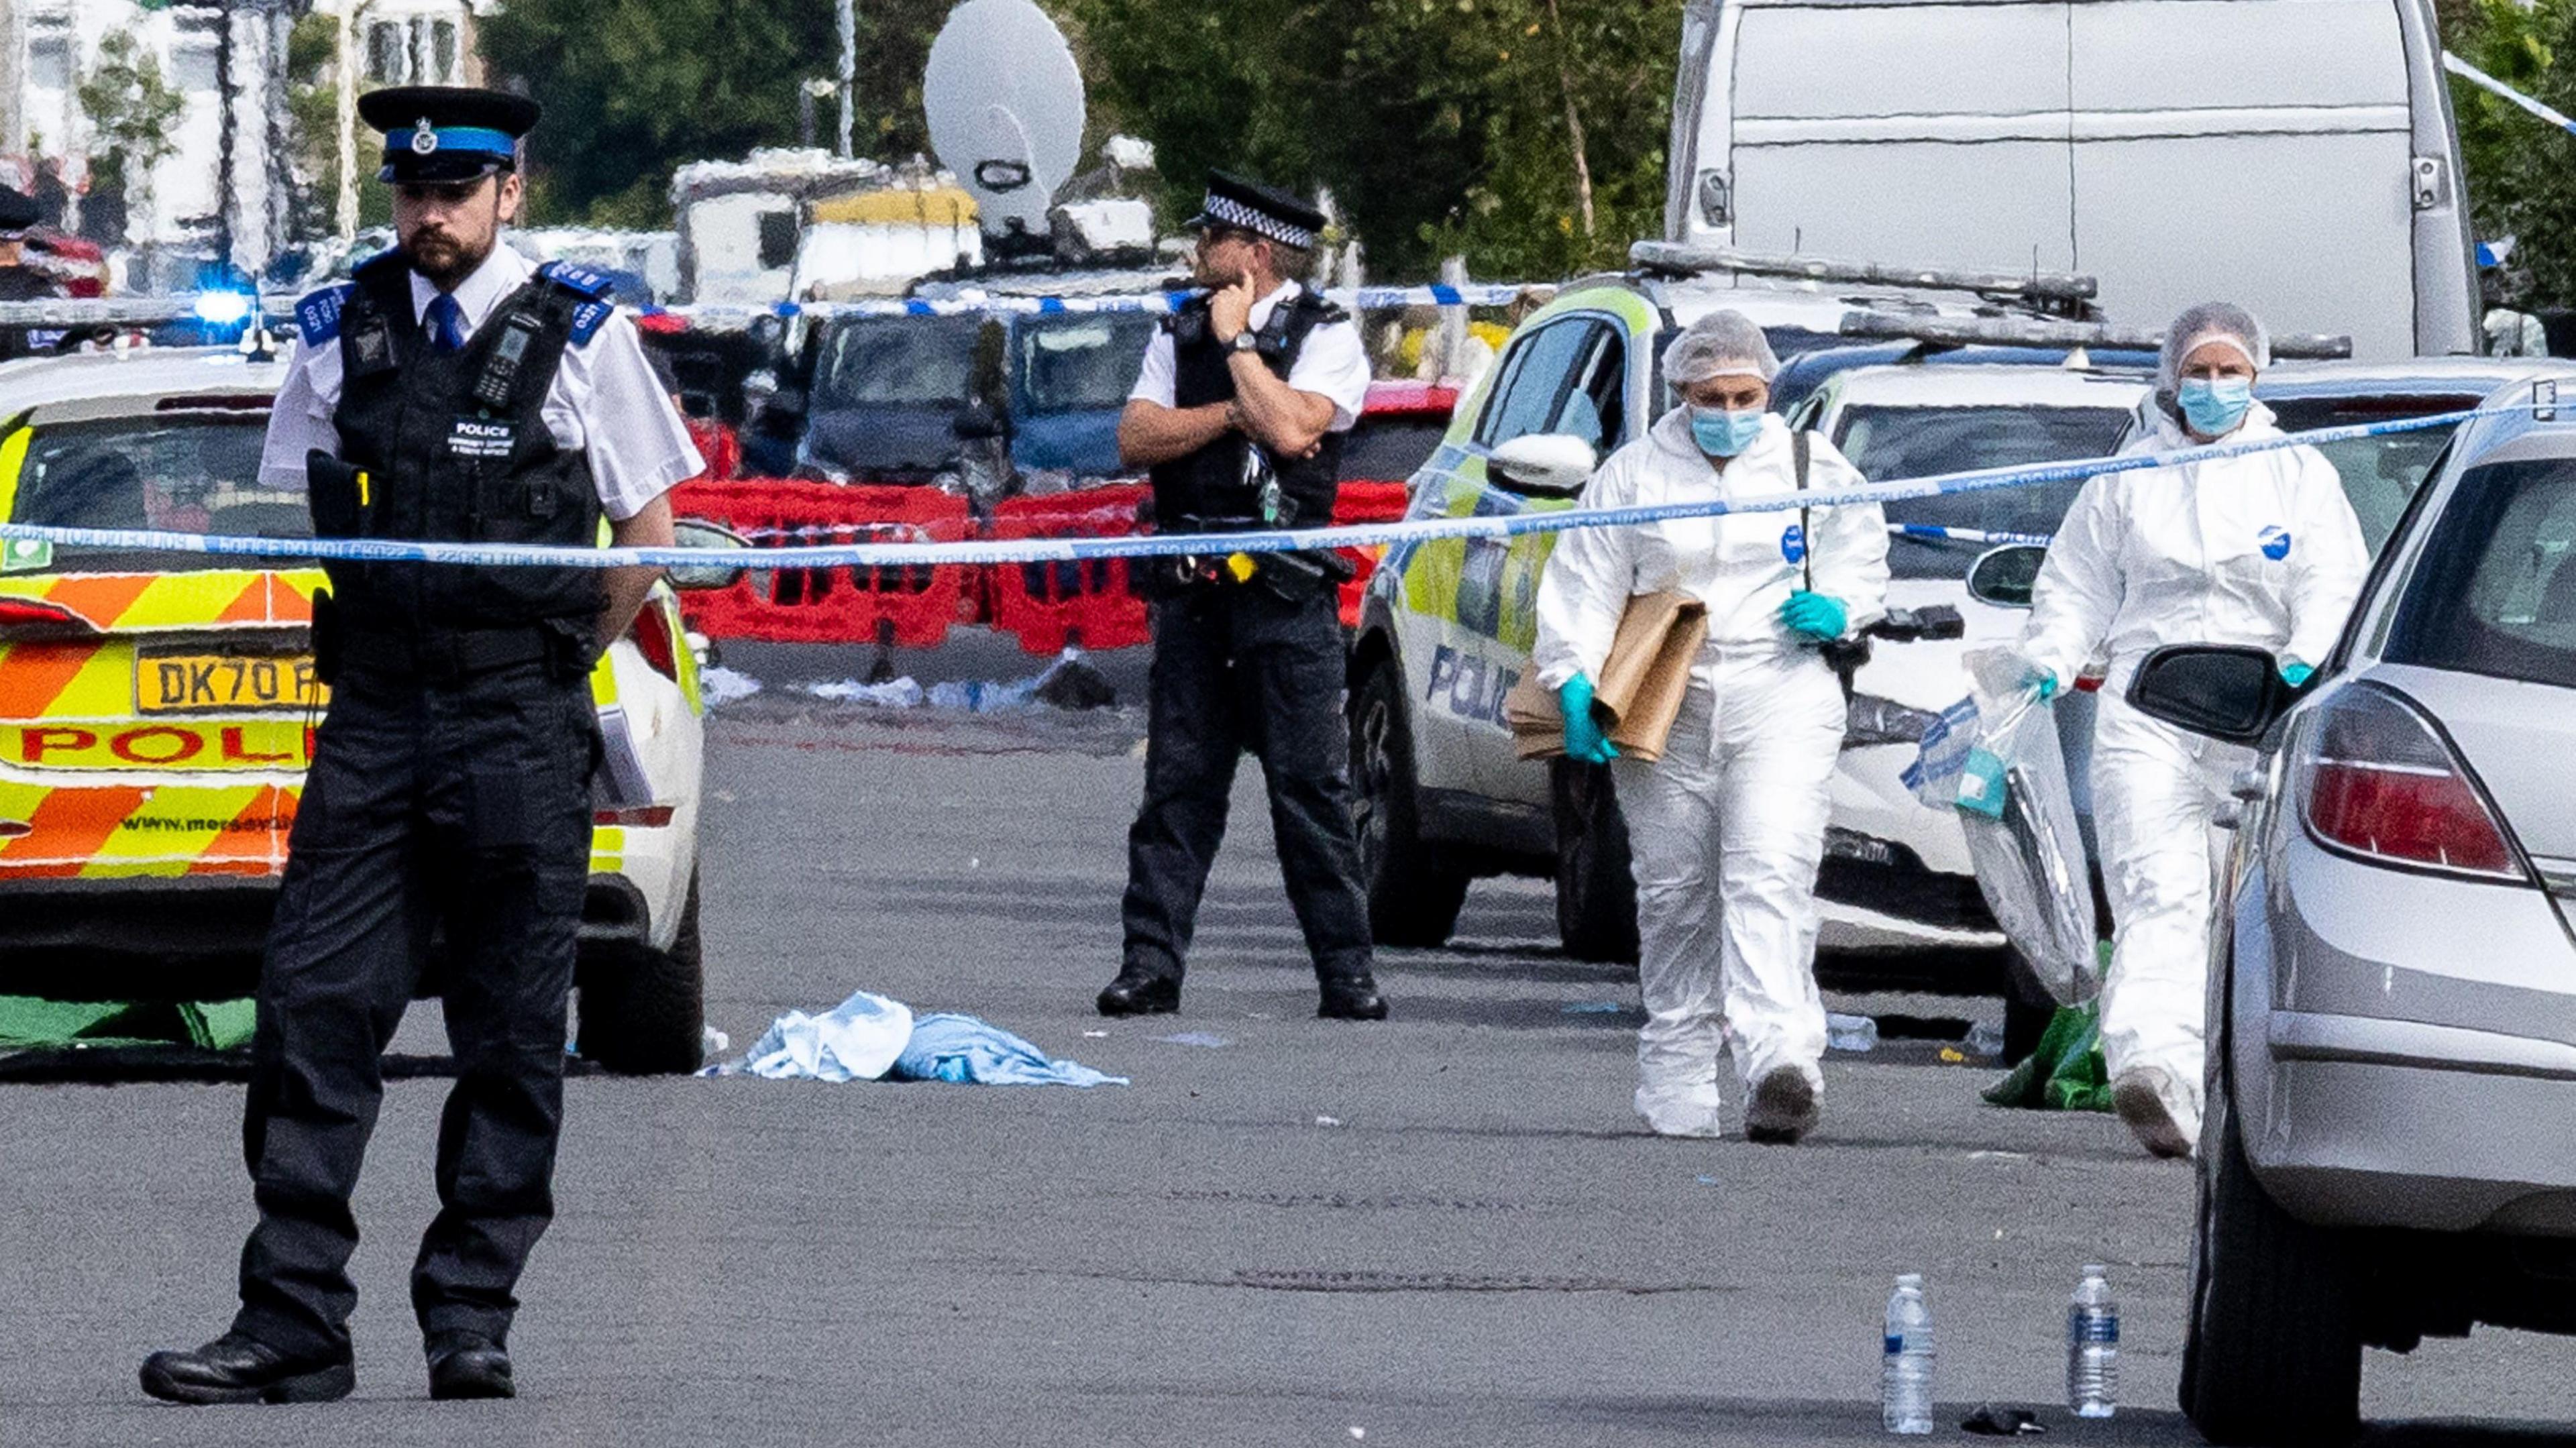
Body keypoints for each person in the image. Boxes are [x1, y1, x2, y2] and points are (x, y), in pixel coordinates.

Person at [140, 85, 704, 1405]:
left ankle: (471, 1310)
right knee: (313, 1008)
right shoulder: (342, 331)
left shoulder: (583, 334)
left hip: (517, 715)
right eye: (413, 192)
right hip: (381, 716)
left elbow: (651, 538)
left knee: (510, 1024)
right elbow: (301, 503)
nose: (432, 214)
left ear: (513, 188)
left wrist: (555, 656)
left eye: (458, 191)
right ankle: (292, 1319)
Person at [2015, 301, 2367, 1159]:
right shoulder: (2128, 479)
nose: (2212, 389)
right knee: (2156, 891)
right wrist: (2051, 656)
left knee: (2241, 909)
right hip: (2148, 709)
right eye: (2199, 373)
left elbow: (2335, 576)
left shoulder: (2297, 473)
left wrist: (2306, 656)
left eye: (2228, 372)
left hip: (2259, 714)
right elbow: (2075, 587)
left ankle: (2224, 1087)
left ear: (2256, 374)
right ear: (2172, 379)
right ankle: (2151, 1071)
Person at [1532, 310, 1889, 1144]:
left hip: (1782, 690)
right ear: (1681, 394)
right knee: (1675, 895)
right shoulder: (1633, 477)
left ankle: (1778, 1063)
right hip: (1667, 702)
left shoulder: (1811, 466)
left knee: (1770, 871)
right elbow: (1585, 582)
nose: (1730, 410)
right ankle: (1678, 1079)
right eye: (1711, 396)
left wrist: (1841, 606)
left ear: (1769, 391)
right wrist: (1576, 681)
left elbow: (1863, 554)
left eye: (1746, 395)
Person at [1096, 171, 1387, 1022]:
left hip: (1286, 604)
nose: (1198, 252)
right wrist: (1233, 407)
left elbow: (1299, 429)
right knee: (1178, 789)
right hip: (1194, 600)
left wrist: (1239, 352)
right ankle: (1149, 967)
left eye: (1212, 239)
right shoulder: (1176, 330)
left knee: (1311, 792)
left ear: (1255, 255)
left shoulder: (1330, 336)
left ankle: (1346, 973)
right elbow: (1137, 435)